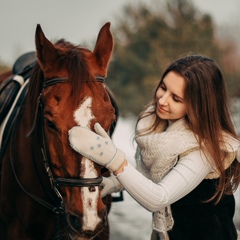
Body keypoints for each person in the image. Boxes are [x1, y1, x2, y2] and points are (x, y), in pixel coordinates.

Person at [68, 54, 240, 240]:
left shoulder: (204, 149)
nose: (162, 100)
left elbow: (158, 198)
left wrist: (114, 160)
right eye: (163, 88)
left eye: (176, 98)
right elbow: (155, 172)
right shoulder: (163, 126)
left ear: (198, 106)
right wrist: (115, 183)